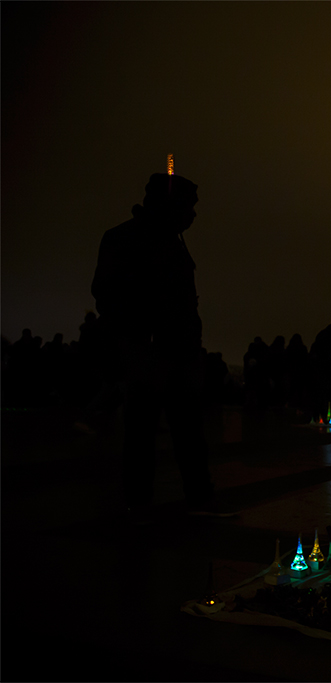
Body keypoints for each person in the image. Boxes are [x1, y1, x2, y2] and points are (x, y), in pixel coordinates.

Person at [91, 170, 231, 520]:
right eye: (190, 206)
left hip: (173, 350)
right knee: (149, 432)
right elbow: (108, 295)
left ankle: (171, 499)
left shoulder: (163, 241)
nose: (194, 215)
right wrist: (141, 336)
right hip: (152, 351)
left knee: (177, 432)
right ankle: (146, 501)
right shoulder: (132, 239)